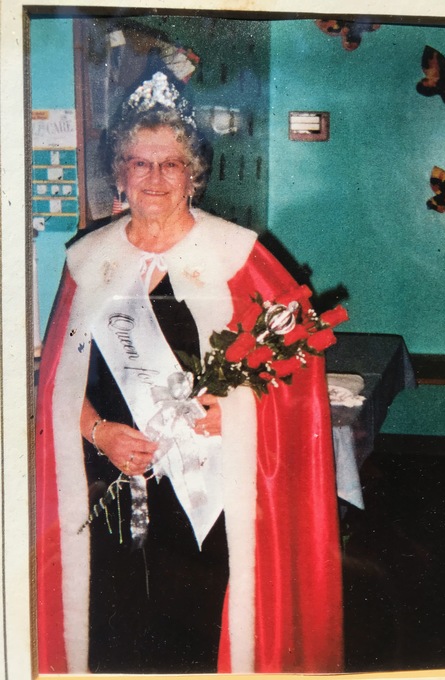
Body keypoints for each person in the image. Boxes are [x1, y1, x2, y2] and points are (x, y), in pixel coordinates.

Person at [36, 67, 343, 675]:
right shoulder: (87, 261)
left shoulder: (238, 255)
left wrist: (234, 411)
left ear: (192, 174)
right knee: (116, 628)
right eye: (140, 163)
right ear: (120, 172)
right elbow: (57, 381)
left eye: (170, 164)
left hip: (209, 491)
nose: (154, 178)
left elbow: (298, 365)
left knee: (197, 632)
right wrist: (99, 432)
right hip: (113, 477)